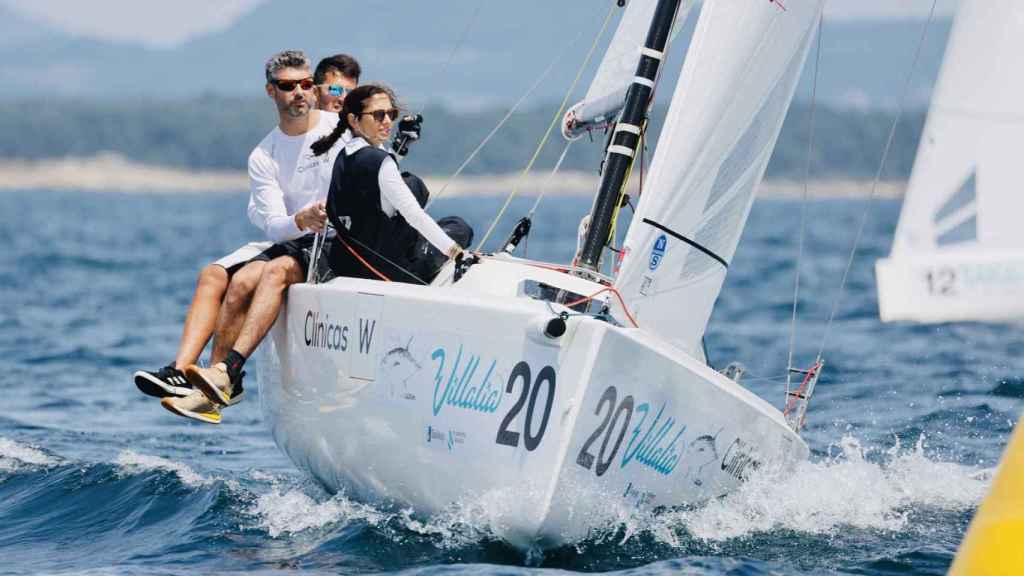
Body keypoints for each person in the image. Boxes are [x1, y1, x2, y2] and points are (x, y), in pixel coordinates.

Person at [181, 84, 466, 414]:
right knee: (243, 280)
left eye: (391, 114)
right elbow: (414, 214)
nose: (387, 121)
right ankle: (221, 373)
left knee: (256, 276)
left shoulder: (347, 154)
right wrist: (456, 252)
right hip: (373, 268)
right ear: (355, 121)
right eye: (378, 115)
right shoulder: (376, 161)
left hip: (351, 261)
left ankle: (226, 371)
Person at [152, 50, 355, 423]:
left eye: (306, 84)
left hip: (338, 240)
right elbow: (276, 224)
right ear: (270, 92)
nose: (299, 92)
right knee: (239, 279)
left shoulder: (340, 128)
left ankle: (223, 374)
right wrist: (303, 217)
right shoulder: (264, 154)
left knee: (263, 273)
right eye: (288, 86)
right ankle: (210, 382)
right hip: (296, 237)